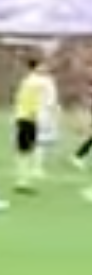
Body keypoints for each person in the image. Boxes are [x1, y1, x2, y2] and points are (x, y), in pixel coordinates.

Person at [10, 58, 49, 197]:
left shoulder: (28, 81)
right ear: (35, 67)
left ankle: (23, 181)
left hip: (25, 118)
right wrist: (33, 114)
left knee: (25, 151)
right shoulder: (36, 82)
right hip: (27, 119)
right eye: (42, 66)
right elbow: (29, 100)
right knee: (25, 151)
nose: (45, 68)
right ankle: (22, 182)